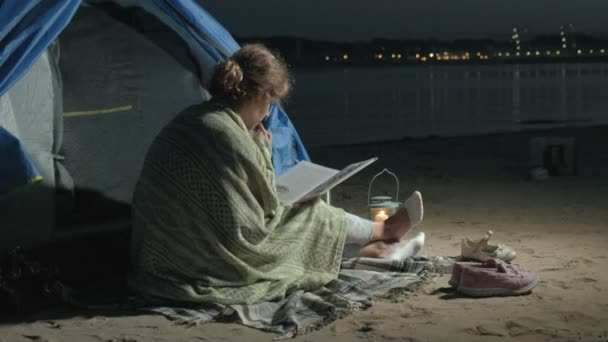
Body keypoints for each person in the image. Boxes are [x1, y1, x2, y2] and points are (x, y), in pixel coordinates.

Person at [128, 44, 424, 305]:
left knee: (298, 216)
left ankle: (374, 251)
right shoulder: (227, 134)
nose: (268, 114)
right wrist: (263, 148)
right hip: (200, 262)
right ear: (256, 95)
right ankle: (385, 232)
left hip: (159, 254)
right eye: (269, 103)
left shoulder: (195, 117)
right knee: (310, 213)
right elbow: (263, 212)